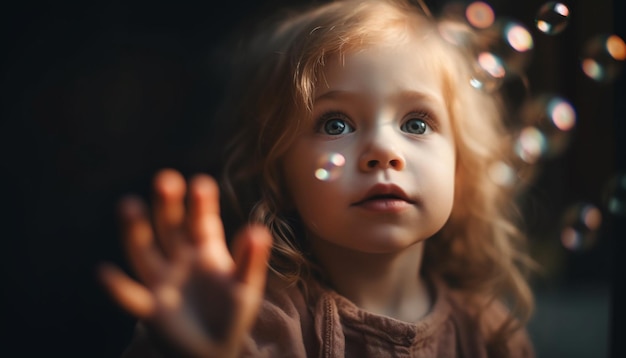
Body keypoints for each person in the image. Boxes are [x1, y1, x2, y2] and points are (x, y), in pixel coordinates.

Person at [99, 0, 537, 356]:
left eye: (417, 124)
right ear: (277, 172)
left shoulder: (491, 336)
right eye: (335, 124)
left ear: (463, 167)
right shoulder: (256, 329)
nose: (384, 151)